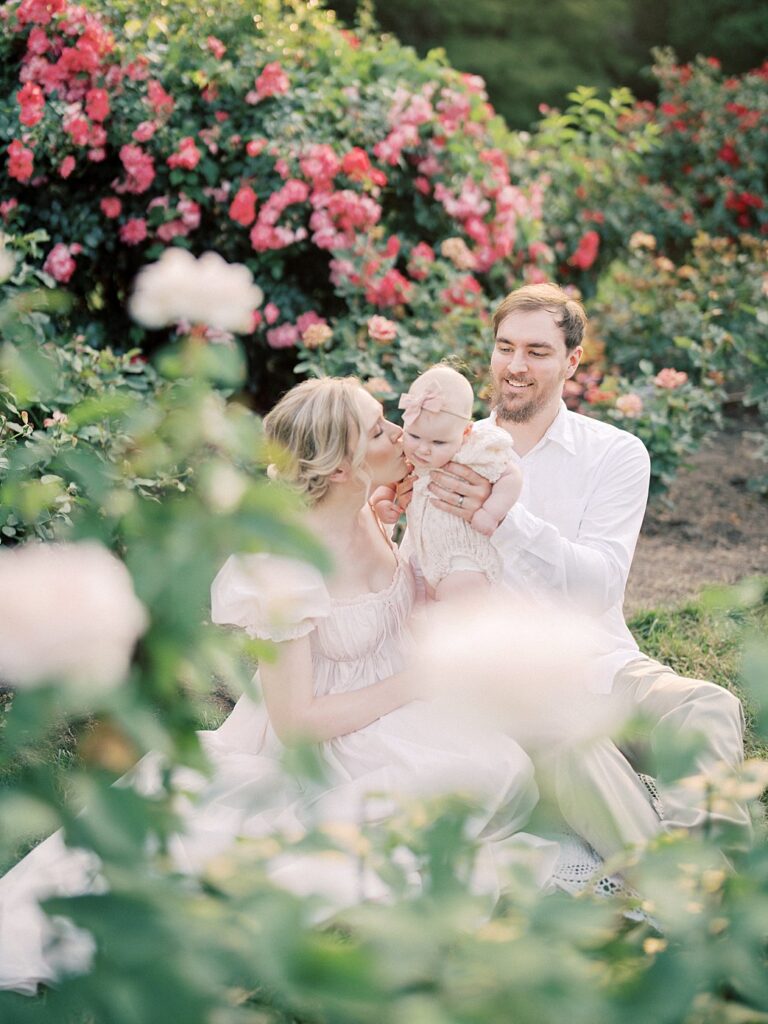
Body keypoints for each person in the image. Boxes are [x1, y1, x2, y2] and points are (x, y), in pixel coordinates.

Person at [0, 376, 548, 996]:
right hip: (325, 741)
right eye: (377, 429)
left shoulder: (375, 506)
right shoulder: (285, 570)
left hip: (389, 706)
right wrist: (414, 682)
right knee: (452, 787)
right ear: (340, 468)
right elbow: (296, 723)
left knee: (499, 766)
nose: (399, 433)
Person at [425, 281, 750, 857]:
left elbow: (598, 587)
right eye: (505, 348)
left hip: (599, 664)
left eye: (537, 351)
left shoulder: (615, 453)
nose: (515, 366)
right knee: (572, 744)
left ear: (573, 360)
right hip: (506, 680)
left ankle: (711, 873)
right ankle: (679, 896)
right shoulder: (447, 452)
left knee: (708, 706)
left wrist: (502, 518)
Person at [381, 365, 522, 599]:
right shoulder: (410, 453)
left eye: (438, 443)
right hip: (429, 561)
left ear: (465, 433)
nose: (423, 450)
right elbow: (389, 477)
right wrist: (383, 500)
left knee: (453, 623)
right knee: (428, 622)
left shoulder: (473, 451)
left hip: (464, 560)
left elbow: (511, 476)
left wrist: (490, 513)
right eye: (414, 436)